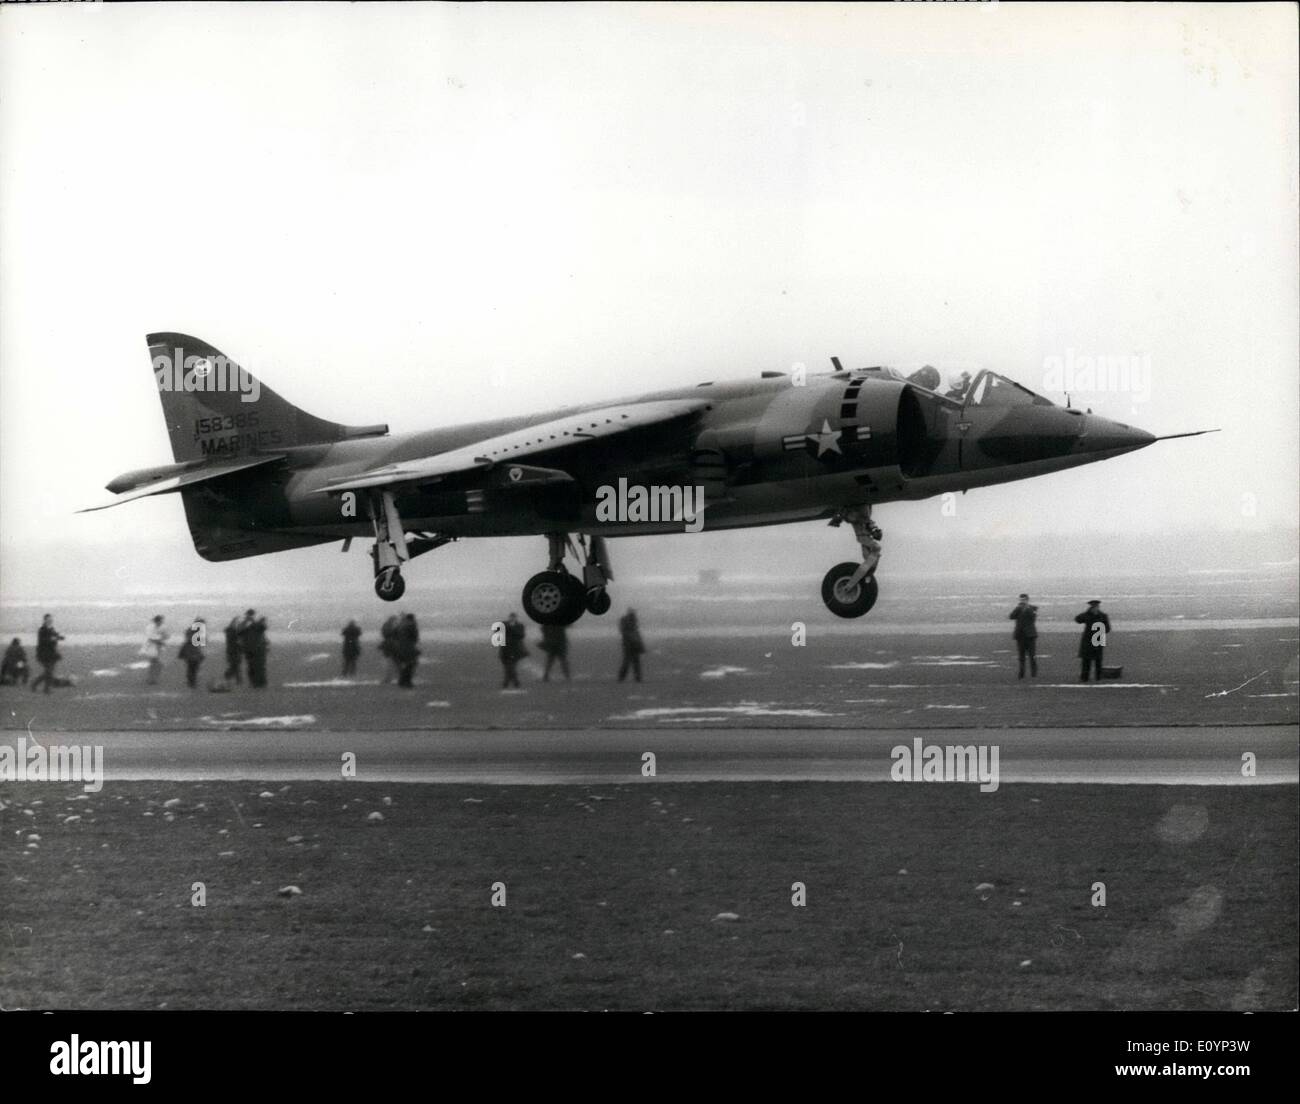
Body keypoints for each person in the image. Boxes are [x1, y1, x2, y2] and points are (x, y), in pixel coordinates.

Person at [1074, 599, 1111, 682]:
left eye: (1096, 607)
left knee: (1098, 660)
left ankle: (1098, 677)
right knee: (1086, 660)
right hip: (1088, 640)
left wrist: (1100, 630)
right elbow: (1078, 619)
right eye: (1093, 607)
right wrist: (1087, 613)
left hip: (1098, 639)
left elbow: (1108, 629)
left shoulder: (1103, 616)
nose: (1095, 608)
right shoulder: (1087, 615)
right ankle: (1084, 677)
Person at [31, 614, 65, 694]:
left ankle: (40, 686)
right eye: (48, 619)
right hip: (44, 654)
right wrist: (51, 639)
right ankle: (41, 687)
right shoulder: (42, 629)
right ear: (45, 620)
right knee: (48, 671)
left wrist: (60, 637)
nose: (50, 620)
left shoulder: (52, 629)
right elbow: (42, 640)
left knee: (49, 672)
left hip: (52, 653)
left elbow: (55, 636)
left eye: (51, 619)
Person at [1008, 594, 1039, 678]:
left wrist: (1027, 608)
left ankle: (1034, 674)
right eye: (1021, 600)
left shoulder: (1033, 608)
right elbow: (1011, 616)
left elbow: (1032, 618)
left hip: (1030, 635)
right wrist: (1018, 609)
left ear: (1027, 600)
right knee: (1021, 656)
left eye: (1024, 599)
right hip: (1020, 635)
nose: (1022, 601)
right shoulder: (1018, 608)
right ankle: (1021, 673)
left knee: (1032, 655)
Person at [239, 610, 270, 688]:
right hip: (252, 649)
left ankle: (259, 683)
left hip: (256, 649)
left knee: (258, 666)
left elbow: (263, 628)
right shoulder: (245, 625)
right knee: (253, 666)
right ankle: (255, 683)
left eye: (251, 615)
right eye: (249, 615)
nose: (250, 617)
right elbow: (240, 632)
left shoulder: (257, 625)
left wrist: (257, 622)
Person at [499, 612, 527, 689]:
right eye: (511, 617)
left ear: (516, 618)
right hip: (505, 649)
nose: (512, 618)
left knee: (511, 667)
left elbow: (521, 635)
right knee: (507, 667)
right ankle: (514, 682)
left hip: (515, 649)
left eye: (513, 617)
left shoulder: (520, 626)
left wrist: (511, 628)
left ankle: (508, 682)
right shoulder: (504, 624)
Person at [177, 618, 206, 689]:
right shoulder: (197, 631)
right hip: (192, 651)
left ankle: (191, 682)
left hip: (188, 651)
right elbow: (198, 644)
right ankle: (192, 682)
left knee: (191, 667)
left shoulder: (190, 630)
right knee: (193, 667)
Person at [617, 609, 645, 683]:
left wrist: (640, 645)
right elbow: (635, 636)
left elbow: (635, 635)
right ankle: (636, 678)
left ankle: (623, 678)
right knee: (631, 662)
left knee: (630, 662)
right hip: (630, 645)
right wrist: (640, 646)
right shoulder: (630, 625)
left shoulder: (629, 624)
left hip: (629, 645)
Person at [141, 615, 169, 685]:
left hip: (159, 646)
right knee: (155, 663)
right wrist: (160, 640)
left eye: (162, 621)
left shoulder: (163, 627)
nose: (162, 622)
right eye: (161, 621)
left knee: (157, 664)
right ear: (157, 621)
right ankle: (151, 679)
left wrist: (162, 639)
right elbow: (151, 638)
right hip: (151, 646)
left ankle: (152, 679)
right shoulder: (150, 627)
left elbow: (167, 636)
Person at [394, 613, 420, 688]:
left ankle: (402, 680)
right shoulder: (411, 625)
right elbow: (415, 637)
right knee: (411, 663)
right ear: (412, 618)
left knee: (404, 663)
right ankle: (406, 681)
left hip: (399, 647)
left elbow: (394, 634)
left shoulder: (400, 625)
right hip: (409, 647)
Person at [379, 614, 400, 684]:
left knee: (389, 663)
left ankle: (389, 678)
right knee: (393, 663)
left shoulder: (386, 626)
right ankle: (392, 677)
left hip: (389, 646)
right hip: (393, 646)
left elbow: (384, 633)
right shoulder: (393, 626)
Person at [223, 616, 243, 685]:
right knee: (235, 665)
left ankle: (238, 680)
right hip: (233, 651)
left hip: (234, 651)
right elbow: (235, 642)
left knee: (235, 666)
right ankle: (232, 677)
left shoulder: (232, 631)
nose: (237, 624)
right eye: (236, 623)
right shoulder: (232, 632)